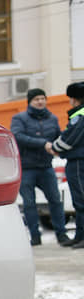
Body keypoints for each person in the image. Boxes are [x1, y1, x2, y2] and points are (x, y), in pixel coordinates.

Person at [11, 88, 69, 246]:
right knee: (29, 204)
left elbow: (58, 136)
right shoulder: (19, 119)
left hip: (46, 167)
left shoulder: (52, 118)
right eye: (37, 99)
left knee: (55, 201)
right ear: (30, 101)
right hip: (27, 167)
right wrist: (43, 143)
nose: (40, 102)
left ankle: (62, 235)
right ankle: (35, 237)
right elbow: (18, 136)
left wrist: (61, 146)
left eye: (43, 98)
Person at [53, 82, 84, 249]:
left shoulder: (80, 115)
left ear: (75, 99)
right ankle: (79, 236)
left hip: (78, 161)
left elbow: (69, 138)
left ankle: (82, 236)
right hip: (78, 160)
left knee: (81, 201)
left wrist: (54, 147)